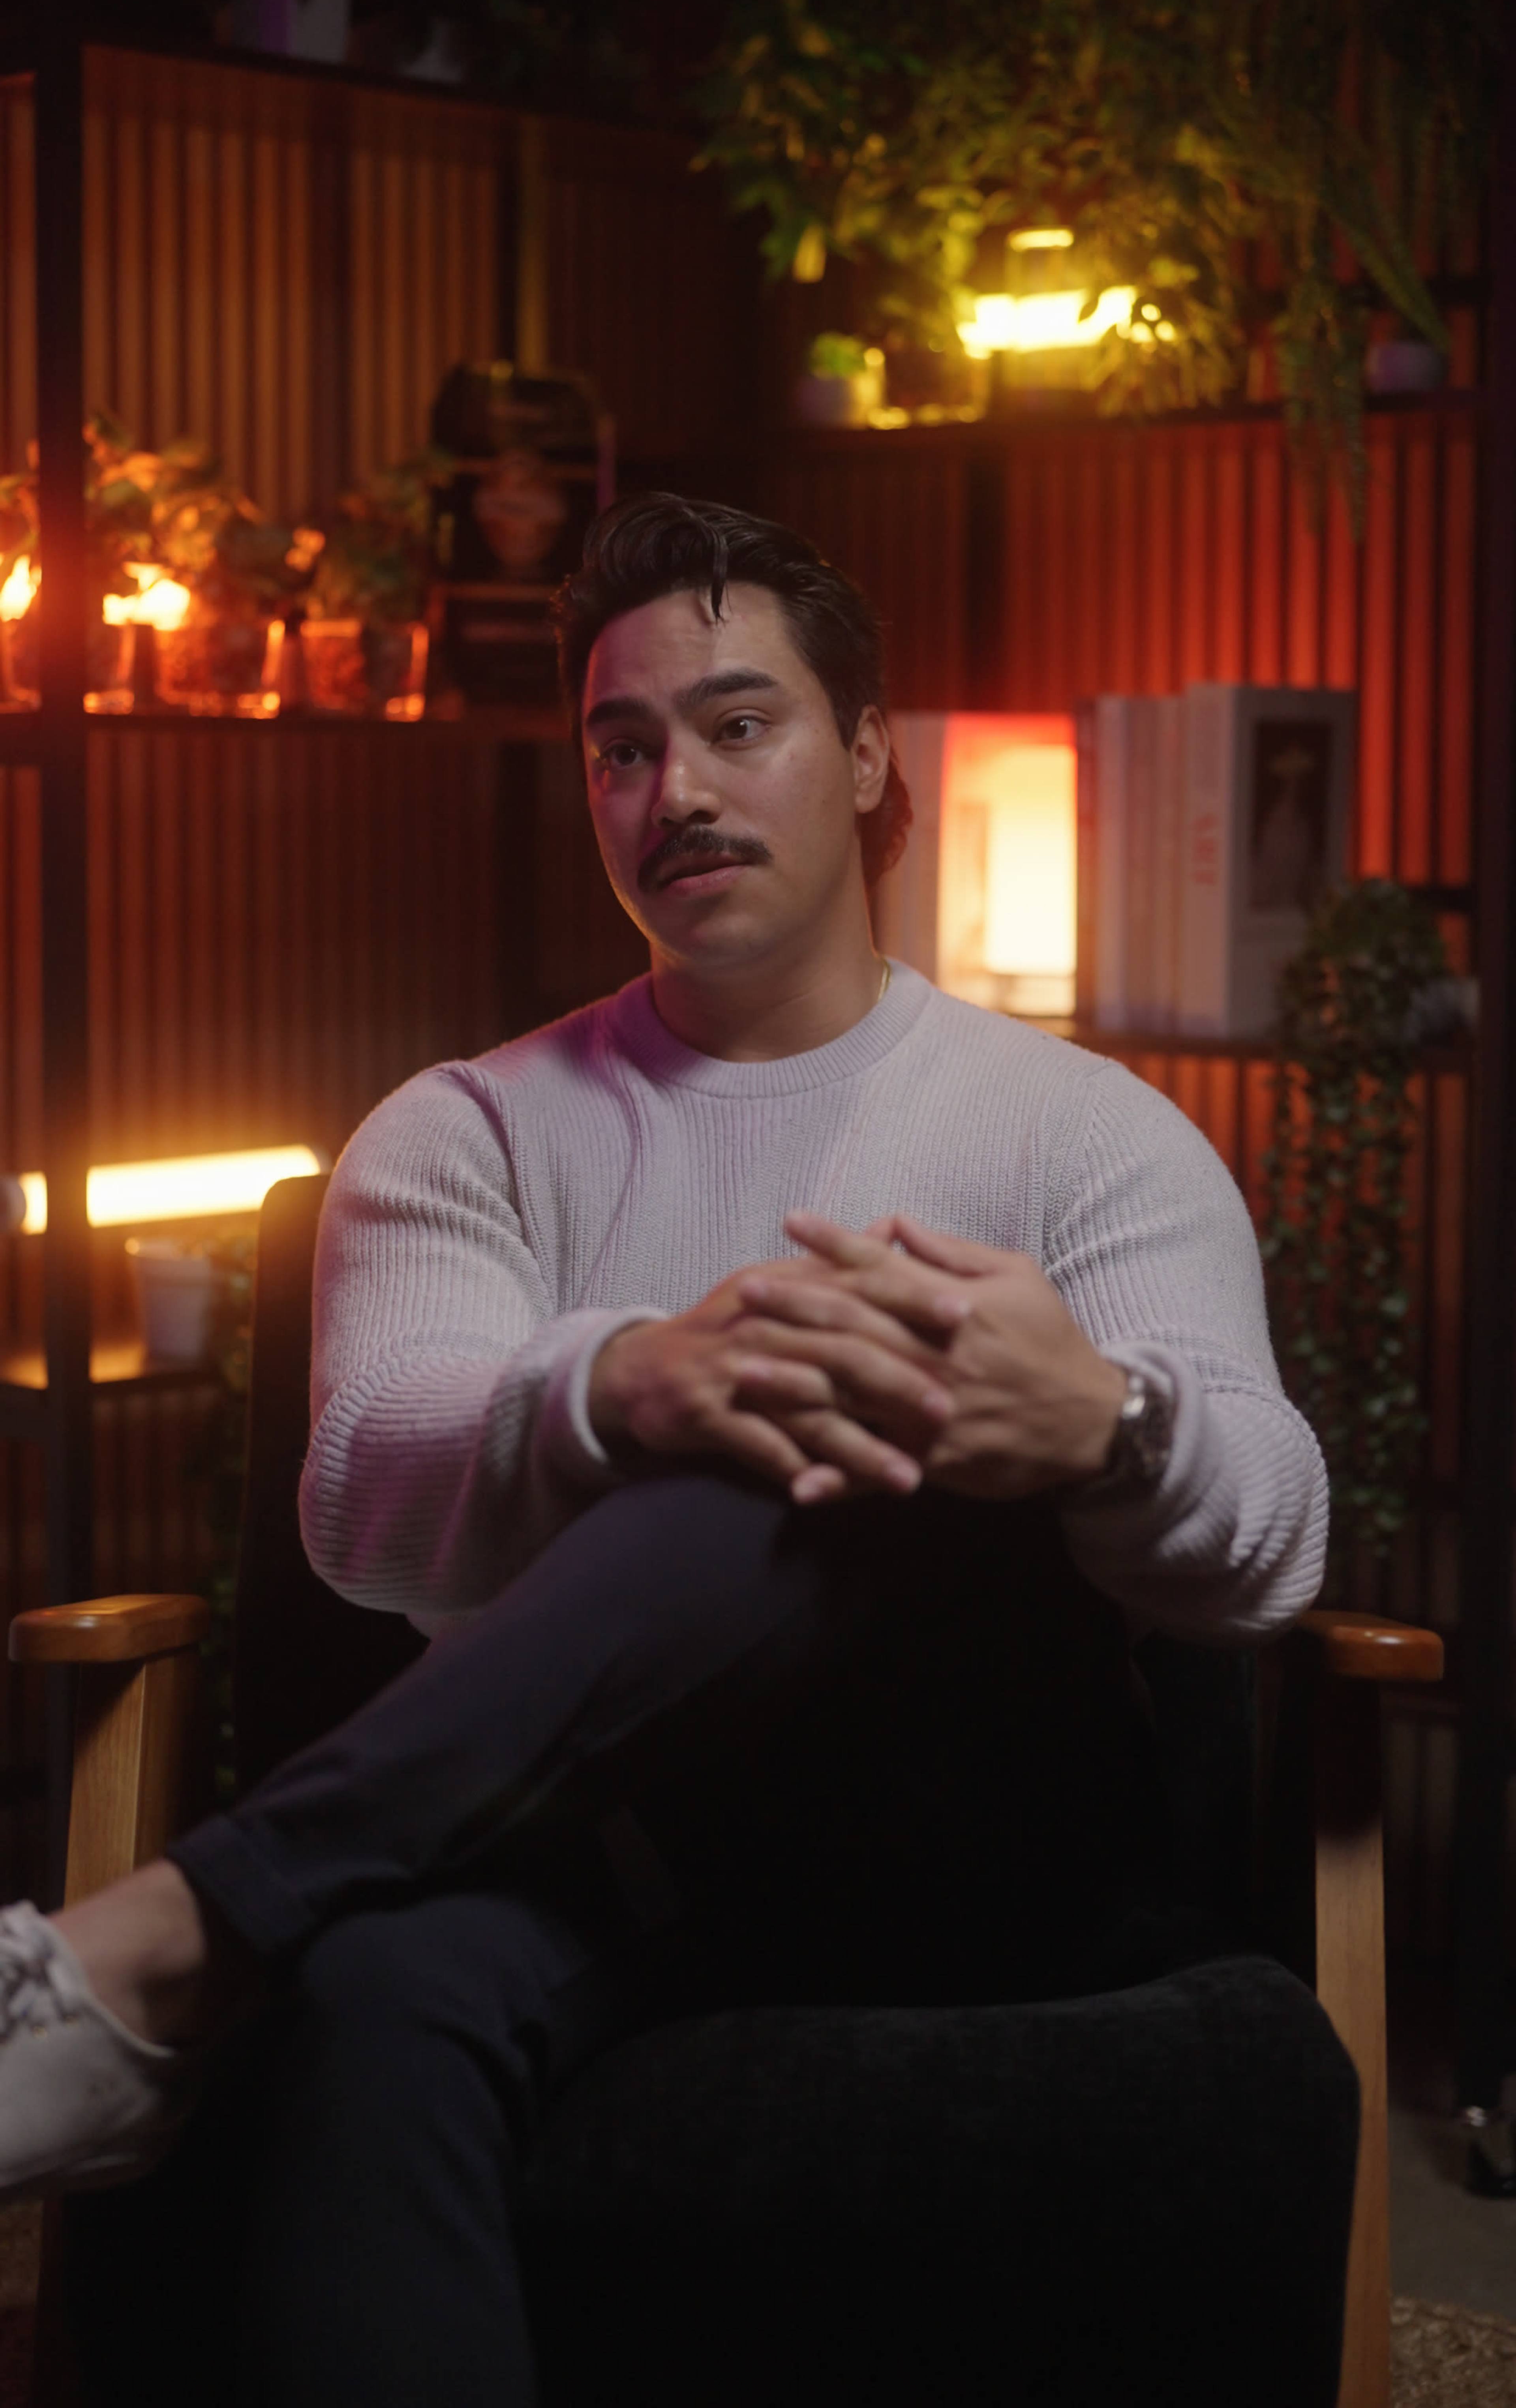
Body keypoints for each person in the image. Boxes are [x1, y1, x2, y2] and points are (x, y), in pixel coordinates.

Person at [0, 493, 1326, 2402]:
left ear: (867, 755)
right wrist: (618, 1385)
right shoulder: (462, 1131)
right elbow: (369, 1508)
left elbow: (1275, 1537)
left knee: (827, 1395)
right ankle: (250, 1932)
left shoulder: (1086, 1137)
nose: (675, 789)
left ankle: (173, 1938)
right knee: (380, 1985)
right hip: (578, 1849)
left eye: (738, 724)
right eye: (623, 749)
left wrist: (1104, 1429)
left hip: (968, 1843)